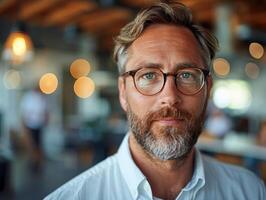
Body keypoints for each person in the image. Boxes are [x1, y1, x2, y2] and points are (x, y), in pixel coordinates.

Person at [45, 2, 266, 200]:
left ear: (207, 89)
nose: (169, 97)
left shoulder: (250, 191)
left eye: (187, 75)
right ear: (123, 91)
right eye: (148, 75)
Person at [20, 87, 48, 171]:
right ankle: (33, 161)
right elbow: (24, 112)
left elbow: (45, 111)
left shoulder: (42, 98)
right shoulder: (28, 97)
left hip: (39, 124)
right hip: (30, 124)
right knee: (32, 144)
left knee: (38, 144)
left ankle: (37, 163)